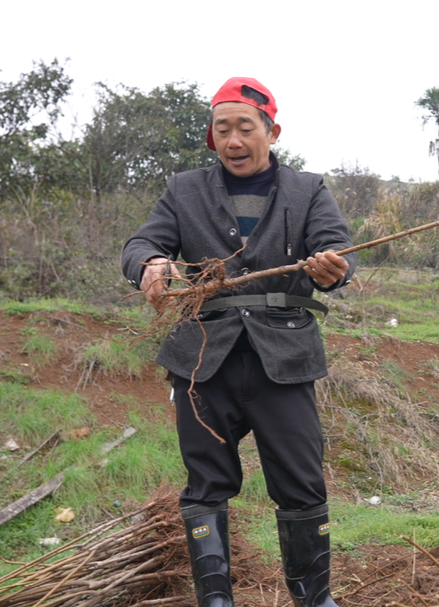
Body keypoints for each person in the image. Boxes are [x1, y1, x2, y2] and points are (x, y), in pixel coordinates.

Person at [121, 77, 354, 607]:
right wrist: (150, 265)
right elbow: (142, 243)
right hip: (204, 357)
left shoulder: (308, 189)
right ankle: (217, 601)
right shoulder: (184, 190)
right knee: (206, 484)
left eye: (245, 128)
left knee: (301, 483)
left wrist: (331, 268)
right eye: (222, 129)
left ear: (272, 132)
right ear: (212, 136)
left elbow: (339, 249)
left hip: (286, 356)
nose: (233, 140)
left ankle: (314, 599)